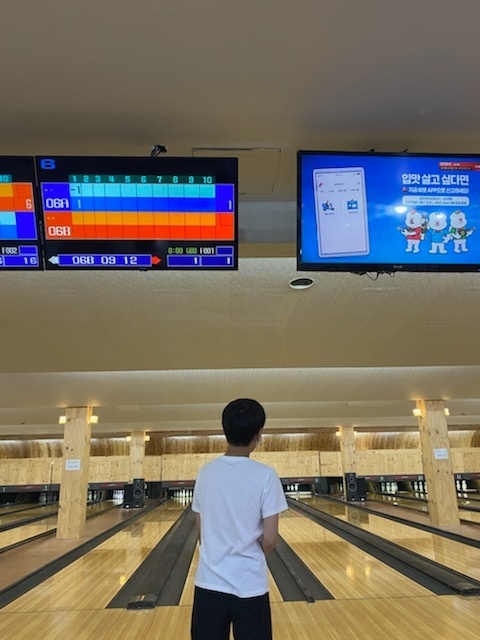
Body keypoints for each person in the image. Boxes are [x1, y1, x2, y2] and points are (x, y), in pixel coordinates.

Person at [191, 398, 288, 640]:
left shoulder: (206, 473)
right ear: (258, 435)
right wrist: (247, 557)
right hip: (250, 584)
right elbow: (270, 539)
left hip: (209, 584)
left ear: (225, 431)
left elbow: (201, 533)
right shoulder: (266, 476)